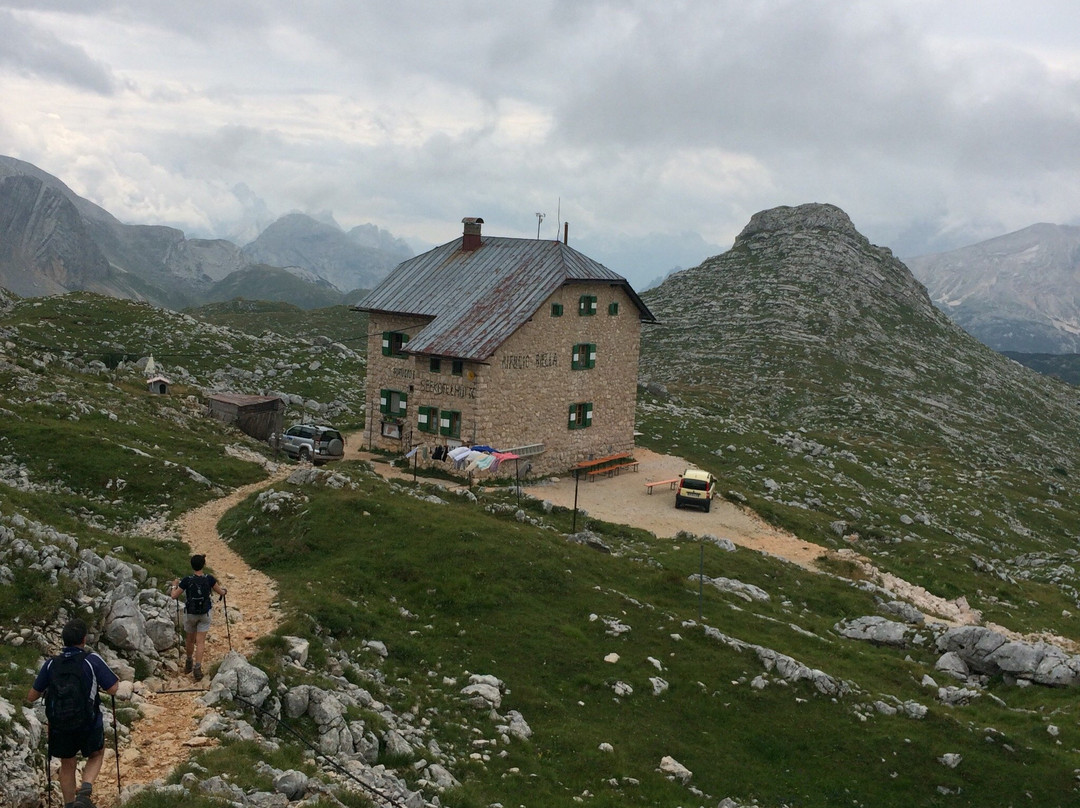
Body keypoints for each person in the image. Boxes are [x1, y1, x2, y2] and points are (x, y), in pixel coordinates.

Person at [27, 618, 120, 808]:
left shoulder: (51, 664)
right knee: (96, 754)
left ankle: (70, 805)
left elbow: (32, 696)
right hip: (88, 722)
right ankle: (85, 793)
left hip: (59, 725)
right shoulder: (91, 660)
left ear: (63, 640)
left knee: (67, 763)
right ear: (84, 639)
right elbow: (113, 688)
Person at [170, 554, 227, 681]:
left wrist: (174, 585)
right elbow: (220, 592)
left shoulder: (187, 580)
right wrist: (224, 592)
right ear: (203, 565)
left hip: (190, 614)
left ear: (192, 565)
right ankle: (198, 667)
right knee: (200, 642)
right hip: (204, 614)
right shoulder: (209, 579)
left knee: (190, 640)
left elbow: (174, 596)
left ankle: (189, 662)